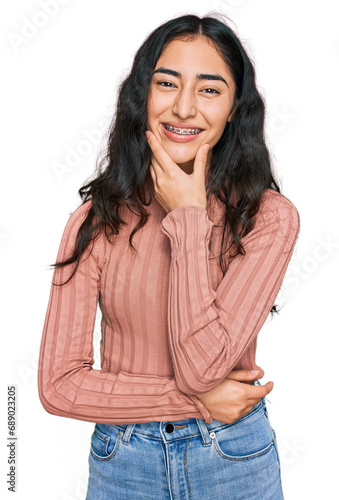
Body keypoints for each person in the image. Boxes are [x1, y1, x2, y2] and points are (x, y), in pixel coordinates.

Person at [38, 13, 300, 499]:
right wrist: (196, 402)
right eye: (166, 83)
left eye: (209, 90)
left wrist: (187, 217)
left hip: (231, 456)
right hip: (124, 460)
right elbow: (59, 386)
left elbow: (203, 365)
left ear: (234, 108)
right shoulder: (96, 221)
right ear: (142, 96)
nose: (183, 109)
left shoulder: (269, 218)